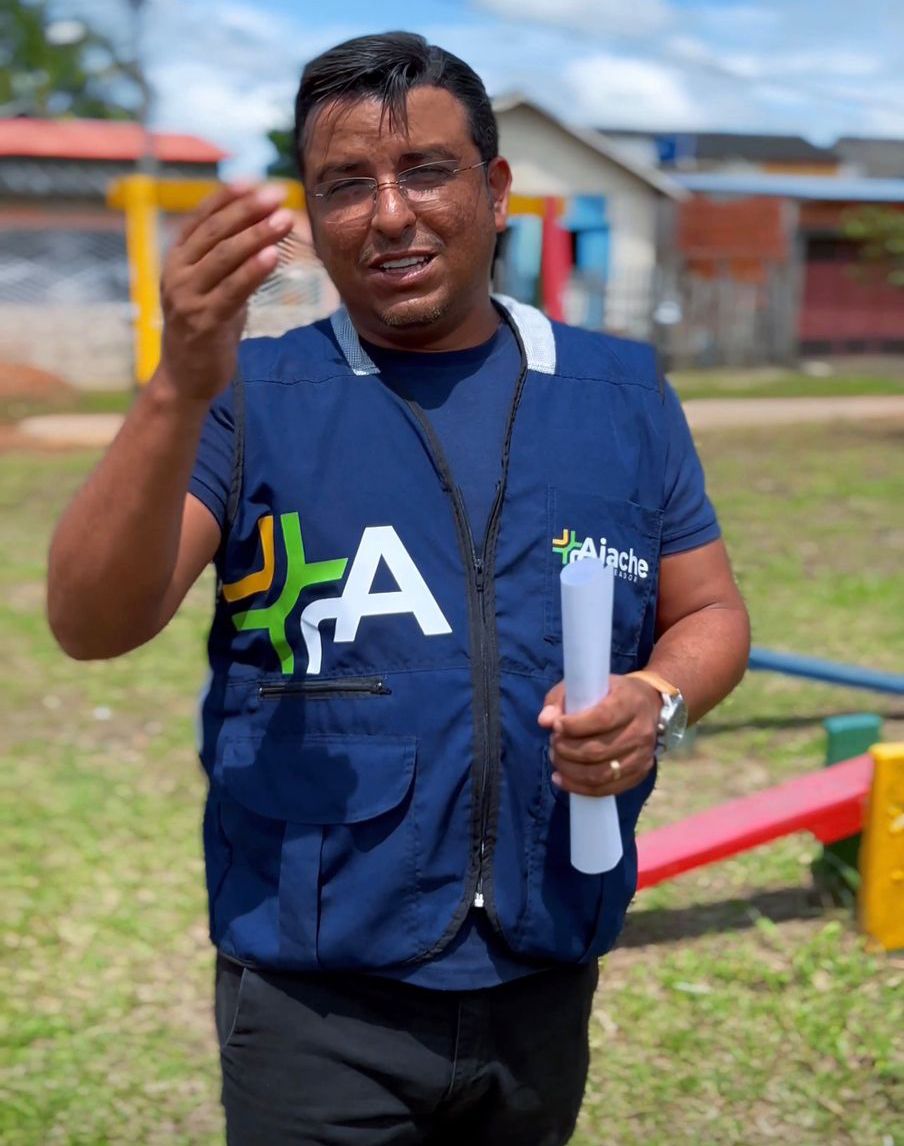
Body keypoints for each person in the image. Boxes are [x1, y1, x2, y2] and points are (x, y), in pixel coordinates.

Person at [47, 31, 750, 1146]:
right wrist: (178, 385)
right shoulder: (252, 396)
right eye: (345, 184)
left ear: (495, 189)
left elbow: (707, 613)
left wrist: (656, 700)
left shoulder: (617, 394)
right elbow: (92, 623)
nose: (388, 215)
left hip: (545, 967)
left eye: (425, 170)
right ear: (311, 213)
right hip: (313, 999)